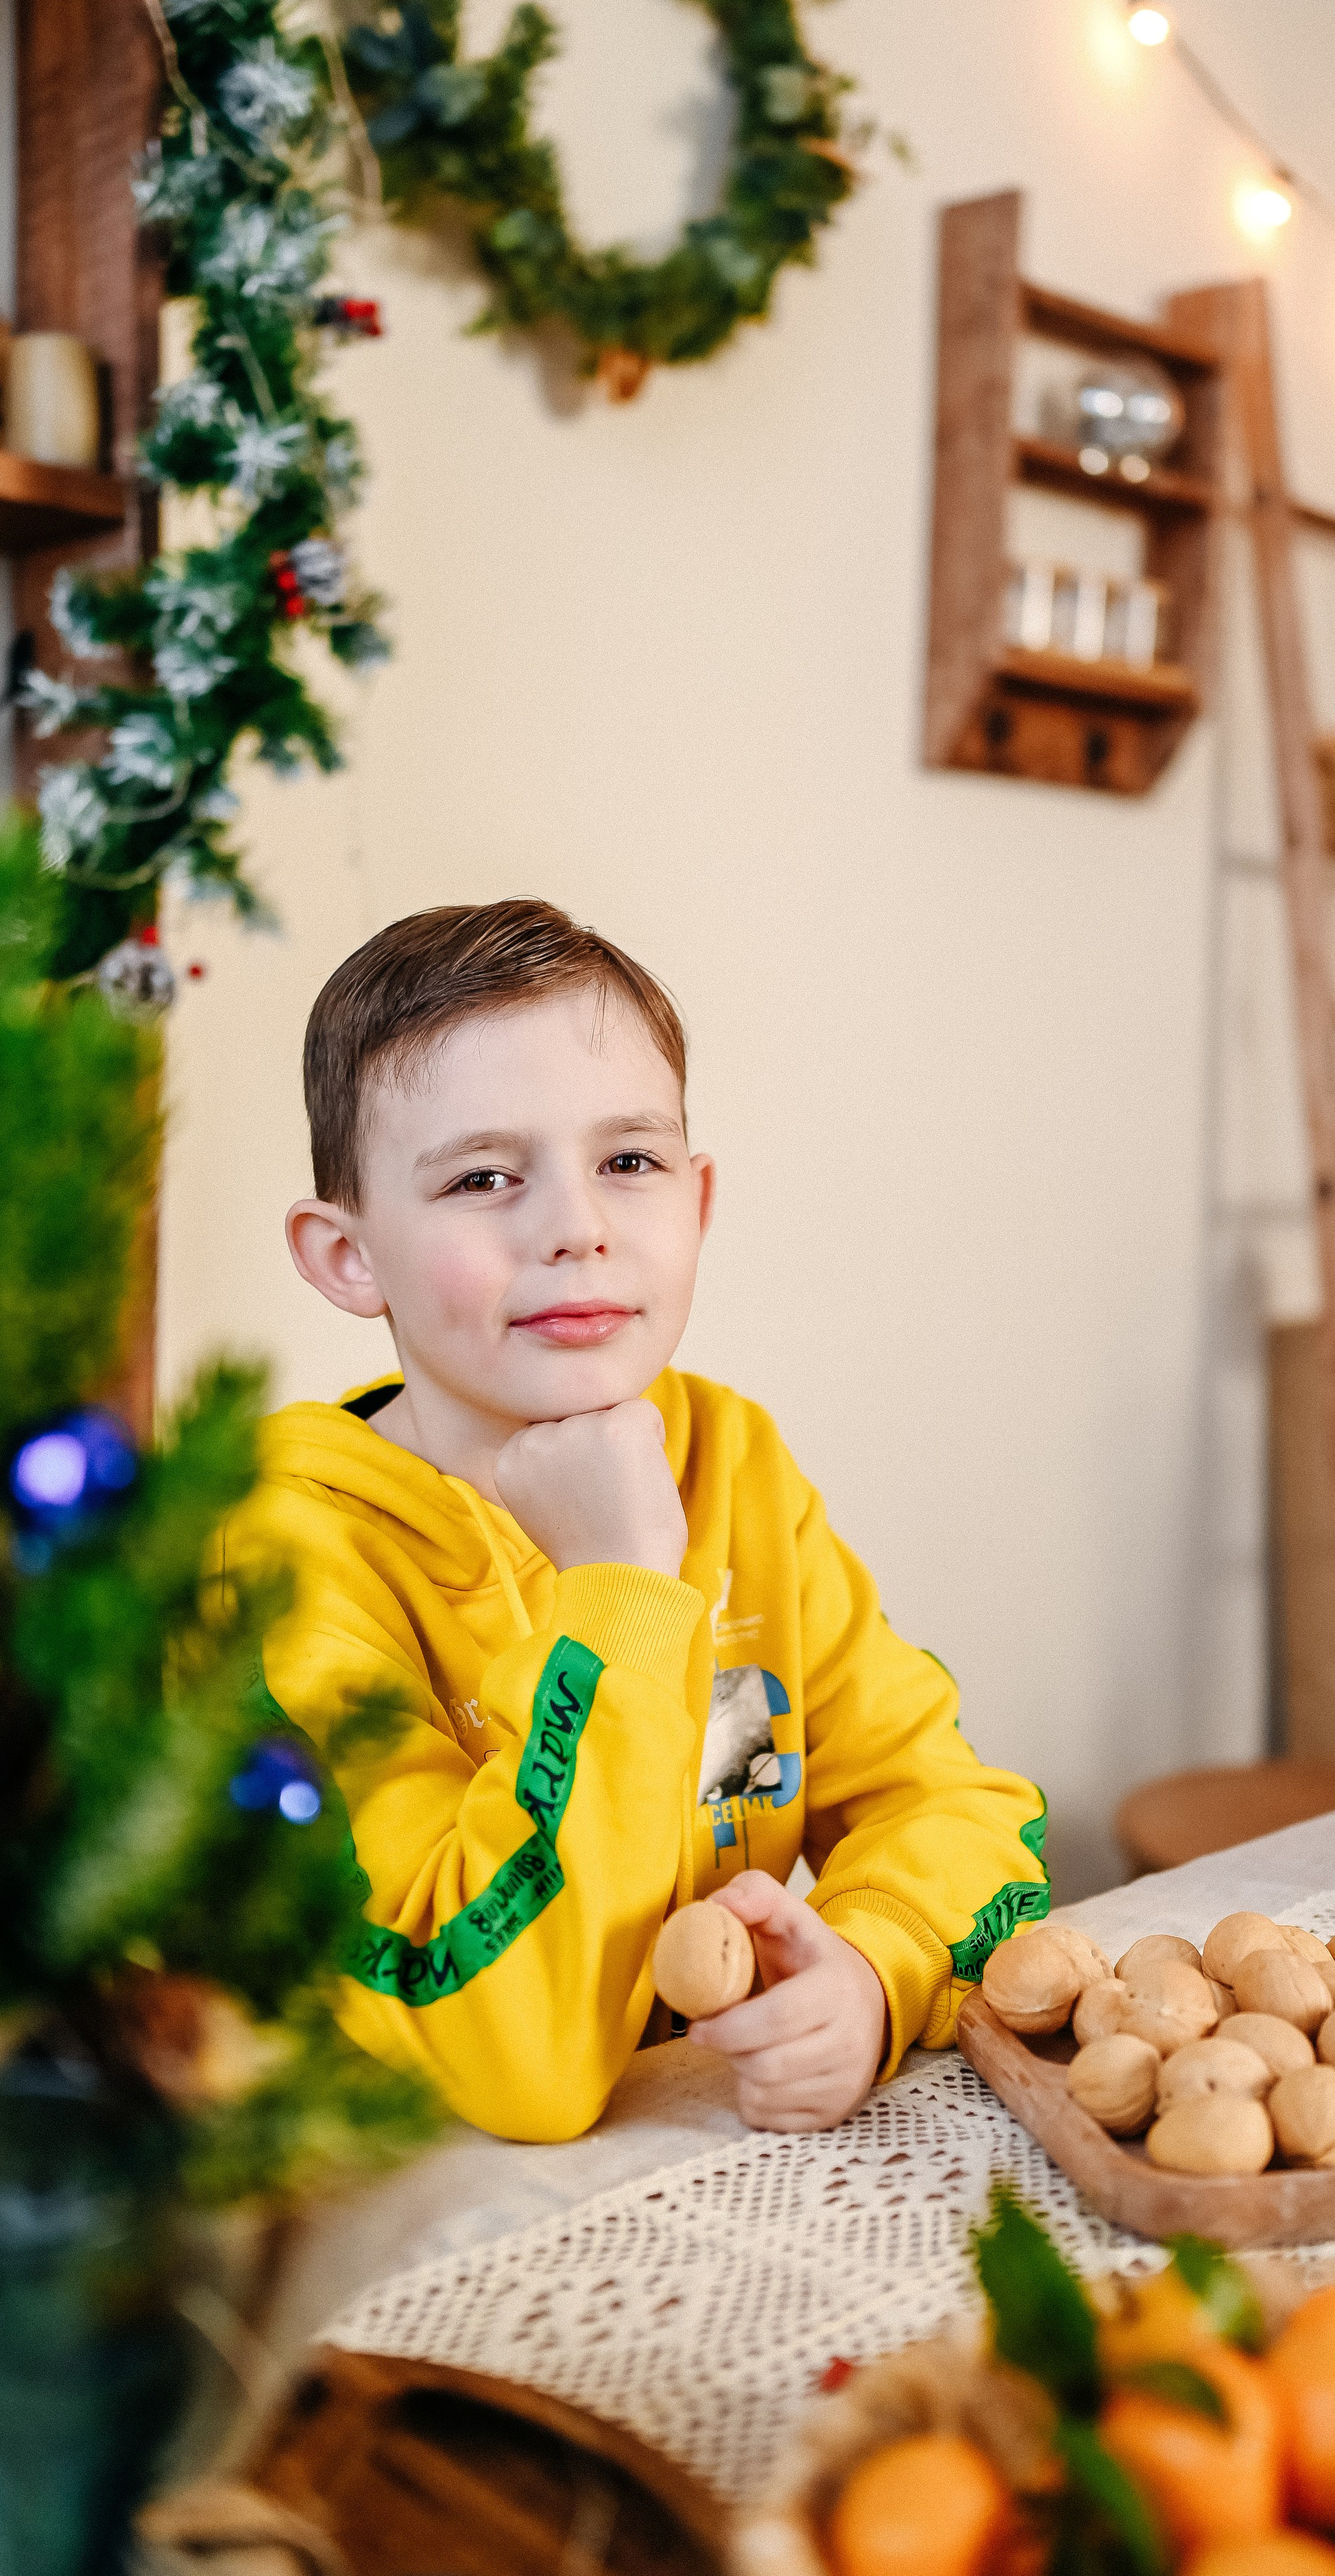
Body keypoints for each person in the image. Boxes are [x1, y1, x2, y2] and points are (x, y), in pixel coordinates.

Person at [230, 900, 1047, 2143]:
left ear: (697, 1203)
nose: (578, 1228)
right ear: (350, 1258)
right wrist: (618, 1587)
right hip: (409, 2203)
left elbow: (957, 1805)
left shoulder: (733, 1461)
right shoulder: (284, 1560)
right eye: (484, 1177)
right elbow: (516, 2060)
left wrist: (871, 1974)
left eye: (628, 1162)